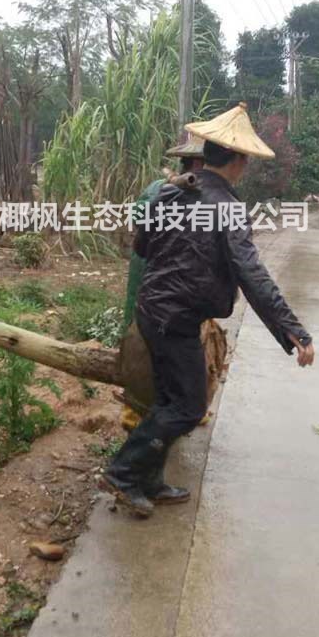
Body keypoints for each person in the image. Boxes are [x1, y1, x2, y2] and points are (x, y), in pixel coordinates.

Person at [101, 103, 315, 517]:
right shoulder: (227, 207)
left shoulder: (172, 192)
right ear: (240, 159)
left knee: (167, 400)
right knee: (188, 406)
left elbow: (142, 247)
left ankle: (149, 481)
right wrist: (293, 330)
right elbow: (251, 274)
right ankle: (123, 473)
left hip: (153, 312)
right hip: (175, 321)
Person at [119, 137, 205, 432]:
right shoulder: (160, 190)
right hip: (151, 278)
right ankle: (135, 408)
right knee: (140, 343)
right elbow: (138, 220)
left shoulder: (210, 195)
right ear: (195, 165)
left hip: (184, 290)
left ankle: (185, 404)